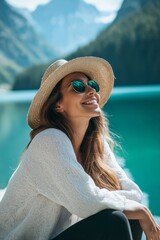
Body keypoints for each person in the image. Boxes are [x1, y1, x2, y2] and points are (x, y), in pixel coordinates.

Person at [0, 56, 159, 240]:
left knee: (130, 217)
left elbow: (134, 195)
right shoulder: (49, 140)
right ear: (58, 104)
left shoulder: (95, 144)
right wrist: (132, 208)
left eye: (92, 84)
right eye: (77, 86)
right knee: (114, 220)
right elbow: (85, 202)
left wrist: (135, 209)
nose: (91, 90)